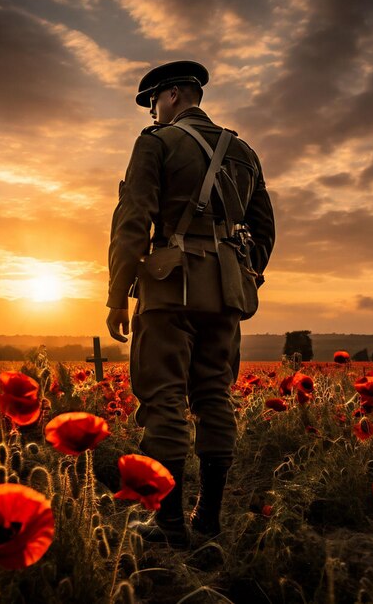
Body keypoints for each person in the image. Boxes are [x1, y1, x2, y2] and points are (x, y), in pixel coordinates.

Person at [106, 60, 275, 547]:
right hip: (226, 293)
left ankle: (170, 524)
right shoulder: (243, 152)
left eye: (154, 101)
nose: (153, 112)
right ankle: (209, 520)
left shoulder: (155, 143)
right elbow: (264, 229)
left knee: (164, 400)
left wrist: (118, 296)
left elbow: (133, 220)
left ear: (174, 95)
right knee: (214, 397)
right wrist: (243, 272)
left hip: (169, 290)